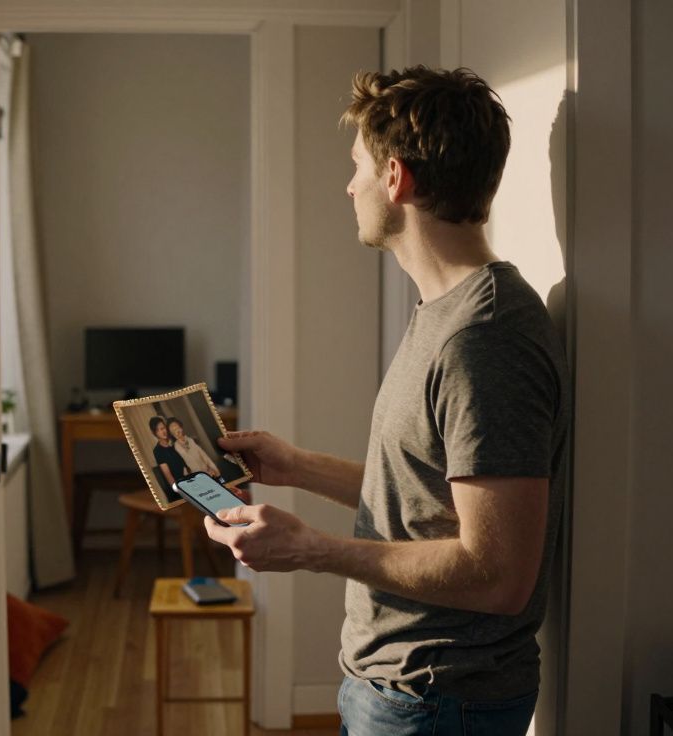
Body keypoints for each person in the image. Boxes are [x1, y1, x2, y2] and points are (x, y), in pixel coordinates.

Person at [203, 67, 571, 736]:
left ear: (396, 178)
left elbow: (498, 574)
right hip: (399, 691)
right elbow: (425, 502)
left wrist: (312, 549)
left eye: (358, 167)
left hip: (437, 701)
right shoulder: (446, 312)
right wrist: (296, 466)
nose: (350, 186)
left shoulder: (484, 338)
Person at [167, 417, 223, 482]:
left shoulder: (190, 440)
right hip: (195, 479)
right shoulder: (175, 448)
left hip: (208, 473)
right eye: (173, 431)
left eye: (177, 428)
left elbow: (204, 456)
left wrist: (216, 472)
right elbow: (183, 469)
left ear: (181, 428)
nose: (176, 432)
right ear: (171, 434)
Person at [149, 415, 188, 491]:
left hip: (189, 477)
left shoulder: (174, 441)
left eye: (163, 428)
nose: (163, 432)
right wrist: (180, 491)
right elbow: (169, 477)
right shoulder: (158, 451)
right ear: (154, 433)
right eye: (158, 430)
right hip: (180, 486)